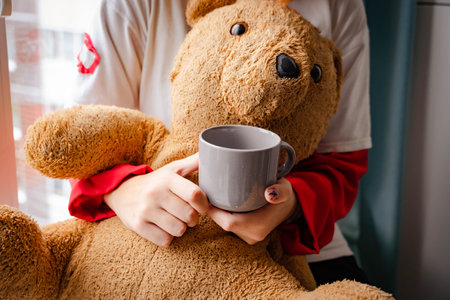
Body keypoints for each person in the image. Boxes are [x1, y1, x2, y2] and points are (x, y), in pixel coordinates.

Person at [71, 0, 371, 285]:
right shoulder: (133, 6)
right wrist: (124, 191)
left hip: (288, 244)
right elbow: (80, 141)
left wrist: (291, 203)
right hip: (157, 234)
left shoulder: (340, 5)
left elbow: (342, 164)